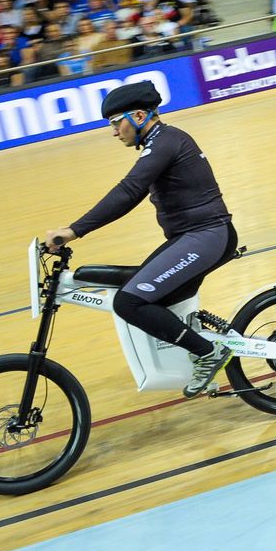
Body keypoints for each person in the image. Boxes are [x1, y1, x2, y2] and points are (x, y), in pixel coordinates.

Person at [45, 82, 237, 398]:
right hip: (195, 237)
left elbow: (128, 191)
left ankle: (208, 352)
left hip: (206, 236)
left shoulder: (166, 141)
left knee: (128, 302)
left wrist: (74, 230)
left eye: (115, 123)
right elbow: (131, 195)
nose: (113, 132)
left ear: (137, 116)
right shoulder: (158, 143)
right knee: (136, 288)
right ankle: (195, 344)